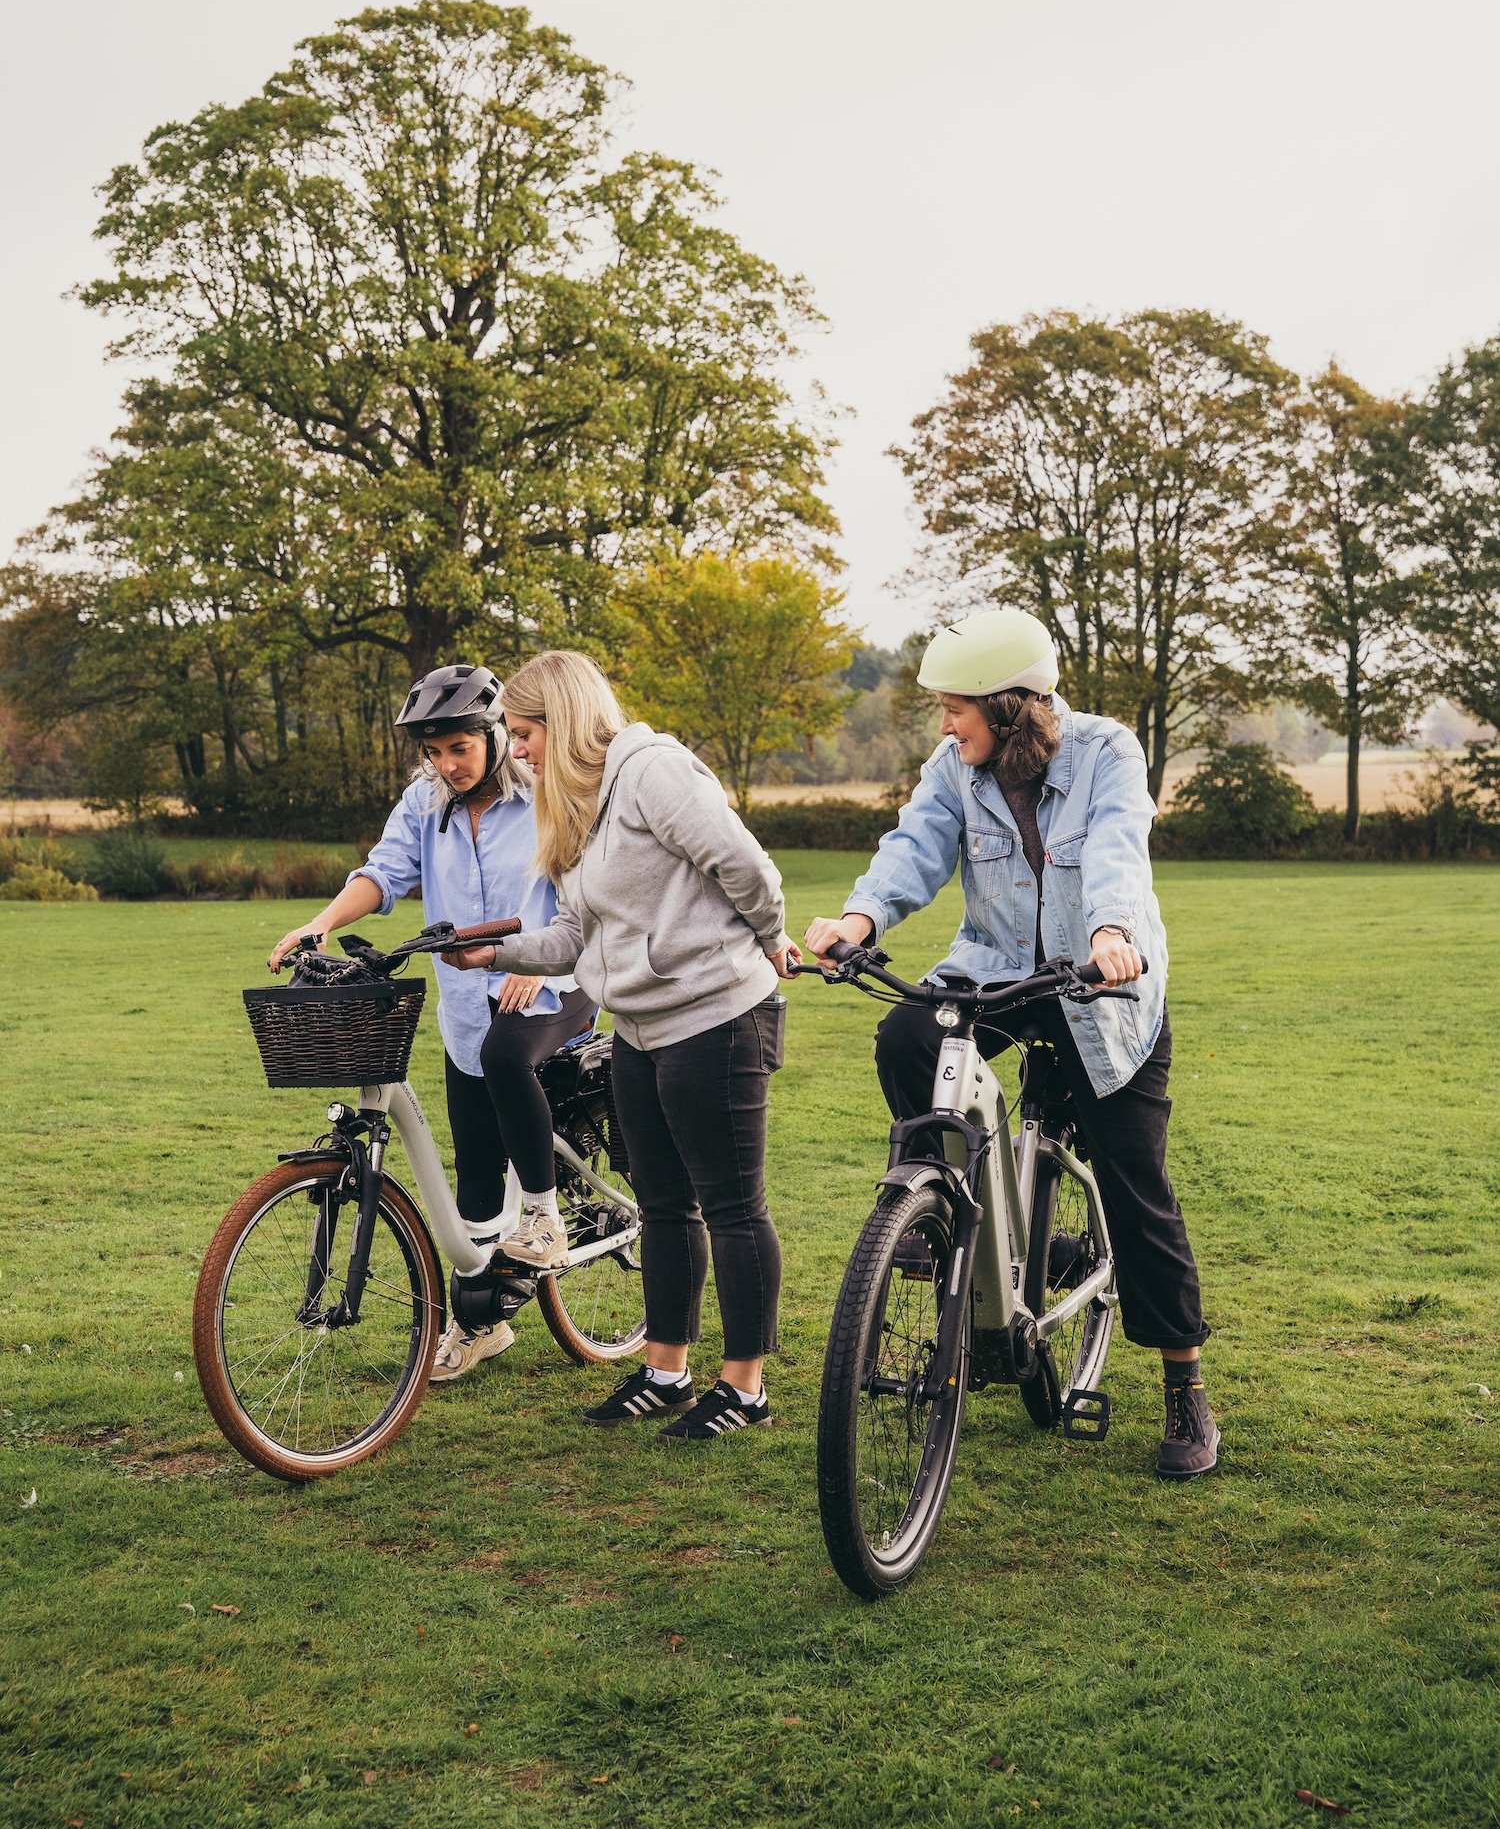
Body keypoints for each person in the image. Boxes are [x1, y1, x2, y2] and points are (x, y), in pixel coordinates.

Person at [804, 606, 1219, 1480]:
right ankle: (958, 1212)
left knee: (1134, 1184)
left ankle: (1184, 1384)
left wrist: (1110, 933)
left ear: (1009, 706)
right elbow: (913, 846)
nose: (944, 724)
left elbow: (1115, 849)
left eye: (955, 708)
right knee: (906, 1036)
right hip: (997, 973)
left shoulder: (1107, 752)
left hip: (1101, 989)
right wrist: (858, 917)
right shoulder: (953, 768)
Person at [442, 649, 800, 1441]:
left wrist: (770, 942)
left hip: (716, 1020)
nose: (520, 749)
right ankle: (665, 1372)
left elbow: (748, 869)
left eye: (526, 731)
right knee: (666, 1206)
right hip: (638, 1030)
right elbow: (574, 935)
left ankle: (745, 1387)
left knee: (734, 1208)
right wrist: (490, 954)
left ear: (563, 720)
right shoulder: (576, 804)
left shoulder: (652, 773)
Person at [267, 663, 593, 1383]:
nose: (447, 765)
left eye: (460, 749)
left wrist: (538, 960)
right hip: (465, 1006)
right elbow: (382, 875)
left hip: (553, 984)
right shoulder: (425, 802)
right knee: (473, 1175)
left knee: (512, 1058)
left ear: (496, 732)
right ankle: (481, 1327)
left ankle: (543, 1215)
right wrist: (319, 925)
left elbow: (583, 887)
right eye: (435, 752)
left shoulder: (546, 792)